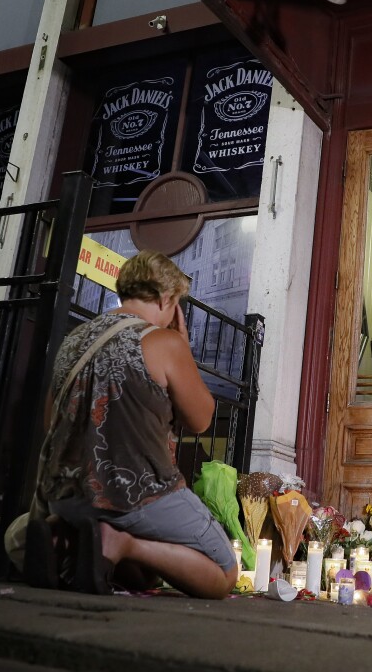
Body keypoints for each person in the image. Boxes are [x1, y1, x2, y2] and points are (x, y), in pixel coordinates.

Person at [31, 250, 237, 598]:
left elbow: (51, 421)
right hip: (135, 495)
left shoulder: (74, 340)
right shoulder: (163, 341)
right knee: (224, 573)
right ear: (167, 297)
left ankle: (62, 535)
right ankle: (121, 543)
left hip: (65, 495)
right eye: (177, 303)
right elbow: (201, 419)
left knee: (143, 580)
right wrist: (182, 348)